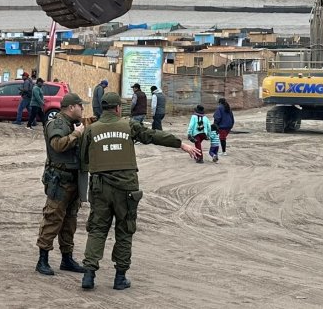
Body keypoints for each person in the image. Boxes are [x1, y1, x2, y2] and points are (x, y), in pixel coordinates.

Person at [79, 91, 201, 290]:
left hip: (100, 188)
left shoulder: (90, 130)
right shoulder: (129, 126)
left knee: (97, 230)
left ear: (102, 109)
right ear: (118, 108)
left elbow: (83, 158)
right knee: (125, 231)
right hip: (126, 188)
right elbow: (153, 135)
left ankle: (89, 275)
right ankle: (119, 278)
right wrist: (181, 144)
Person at [35, 93, 87, 276]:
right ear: (72, 107)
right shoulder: (57, 124)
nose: (83, 109)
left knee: (70, 221)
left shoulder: (72, 124)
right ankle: (43, 259)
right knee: (53, 218)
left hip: (73, 179)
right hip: (59, 179)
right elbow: (57, 144)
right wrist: (76, 135)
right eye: (81, 106)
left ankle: (67, 258)